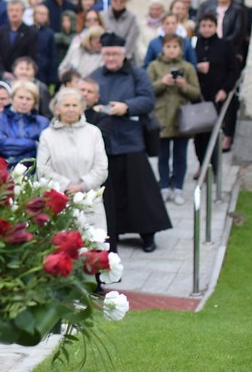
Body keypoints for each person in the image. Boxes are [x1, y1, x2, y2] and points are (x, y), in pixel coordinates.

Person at [90, 34, 171, 253]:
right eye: (107, 54)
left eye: (115, 53)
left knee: (140, 193)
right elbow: (86, 99)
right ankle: (112, 232)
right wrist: (94, 108)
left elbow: (148, 99)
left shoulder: (138, 74)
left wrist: (126, 106)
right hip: (105, 143)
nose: (111, 58)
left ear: (124, 54)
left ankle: (148, 234)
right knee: (110, 193)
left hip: (131, 140)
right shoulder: (94, 76)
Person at [36, 87, 108, 267]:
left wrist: (83, 185)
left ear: (82, 108)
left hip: (90, 199)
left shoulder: (93, 133)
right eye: (66, 105)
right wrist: (67, 186)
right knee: (64, 249)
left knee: (92, 246)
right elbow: (43, 169)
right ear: (57, 108)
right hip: (61, 199)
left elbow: (101, 167)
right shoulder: (47, 136)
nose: (70, 109)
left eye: (75, 105)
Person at [147, 34, 201, 204]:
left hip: (181, 120)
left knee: (180, 156)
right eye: (168, 47)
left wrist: (184, 86)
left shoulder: (188, 67)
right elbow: (147, 91)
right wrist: (162, 82)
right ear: (163, 48)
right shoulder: (154, 66)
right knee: (163, 156)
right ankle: (164, 187)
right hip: (161, 118)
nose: (171, 50)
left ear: (181, 49)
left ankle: (178, 188)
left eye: (175, 47)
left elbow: (196, 93)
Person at [192, 12, 240, 175]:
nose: (206, 29)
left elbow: (233, 70)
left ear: (215, 27)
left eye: (209, 26)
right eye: (203, 26)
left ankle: (213, 167)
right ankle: (201, 164)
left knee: (212, 134)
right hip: (198, 96)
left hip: (216, 96)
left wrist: (224, 90)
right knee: (199, 135)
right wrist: (197, 68)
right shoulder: (195, 44)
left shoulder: (225, 45)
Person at [0, 79, 49, 166]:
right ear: (12, 98)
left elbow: (44, 150)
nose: (24, 102)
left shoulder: (43, 123)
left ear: (34, 102)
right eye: (20, 97)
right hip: (3, 170)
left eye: (28, 99)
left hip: (33, 170)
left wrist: (10, 141)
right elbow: (1, 145)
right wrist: (33, 144)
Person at [0, 0, 38, 74]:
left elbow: (32, 56)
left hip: (23, 72)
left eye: (17, 10)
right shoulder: (0, 31)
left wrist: (20, 71)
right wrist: (2, 72)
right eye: (11, 10)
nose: (14, 13)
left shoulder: (31, 32)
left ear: (23, 12)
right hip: (3, 73)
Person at [100, 0, 141, 66]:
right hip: (106, 56)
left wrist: (121, 56)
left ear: (126, 2)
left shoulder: (132, 18)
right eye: (115, 0)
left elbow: (132, 38)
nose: (118, 3)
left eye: (121, 1)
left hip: (126, 56)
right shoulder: (102, 16)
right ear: (111, 0)